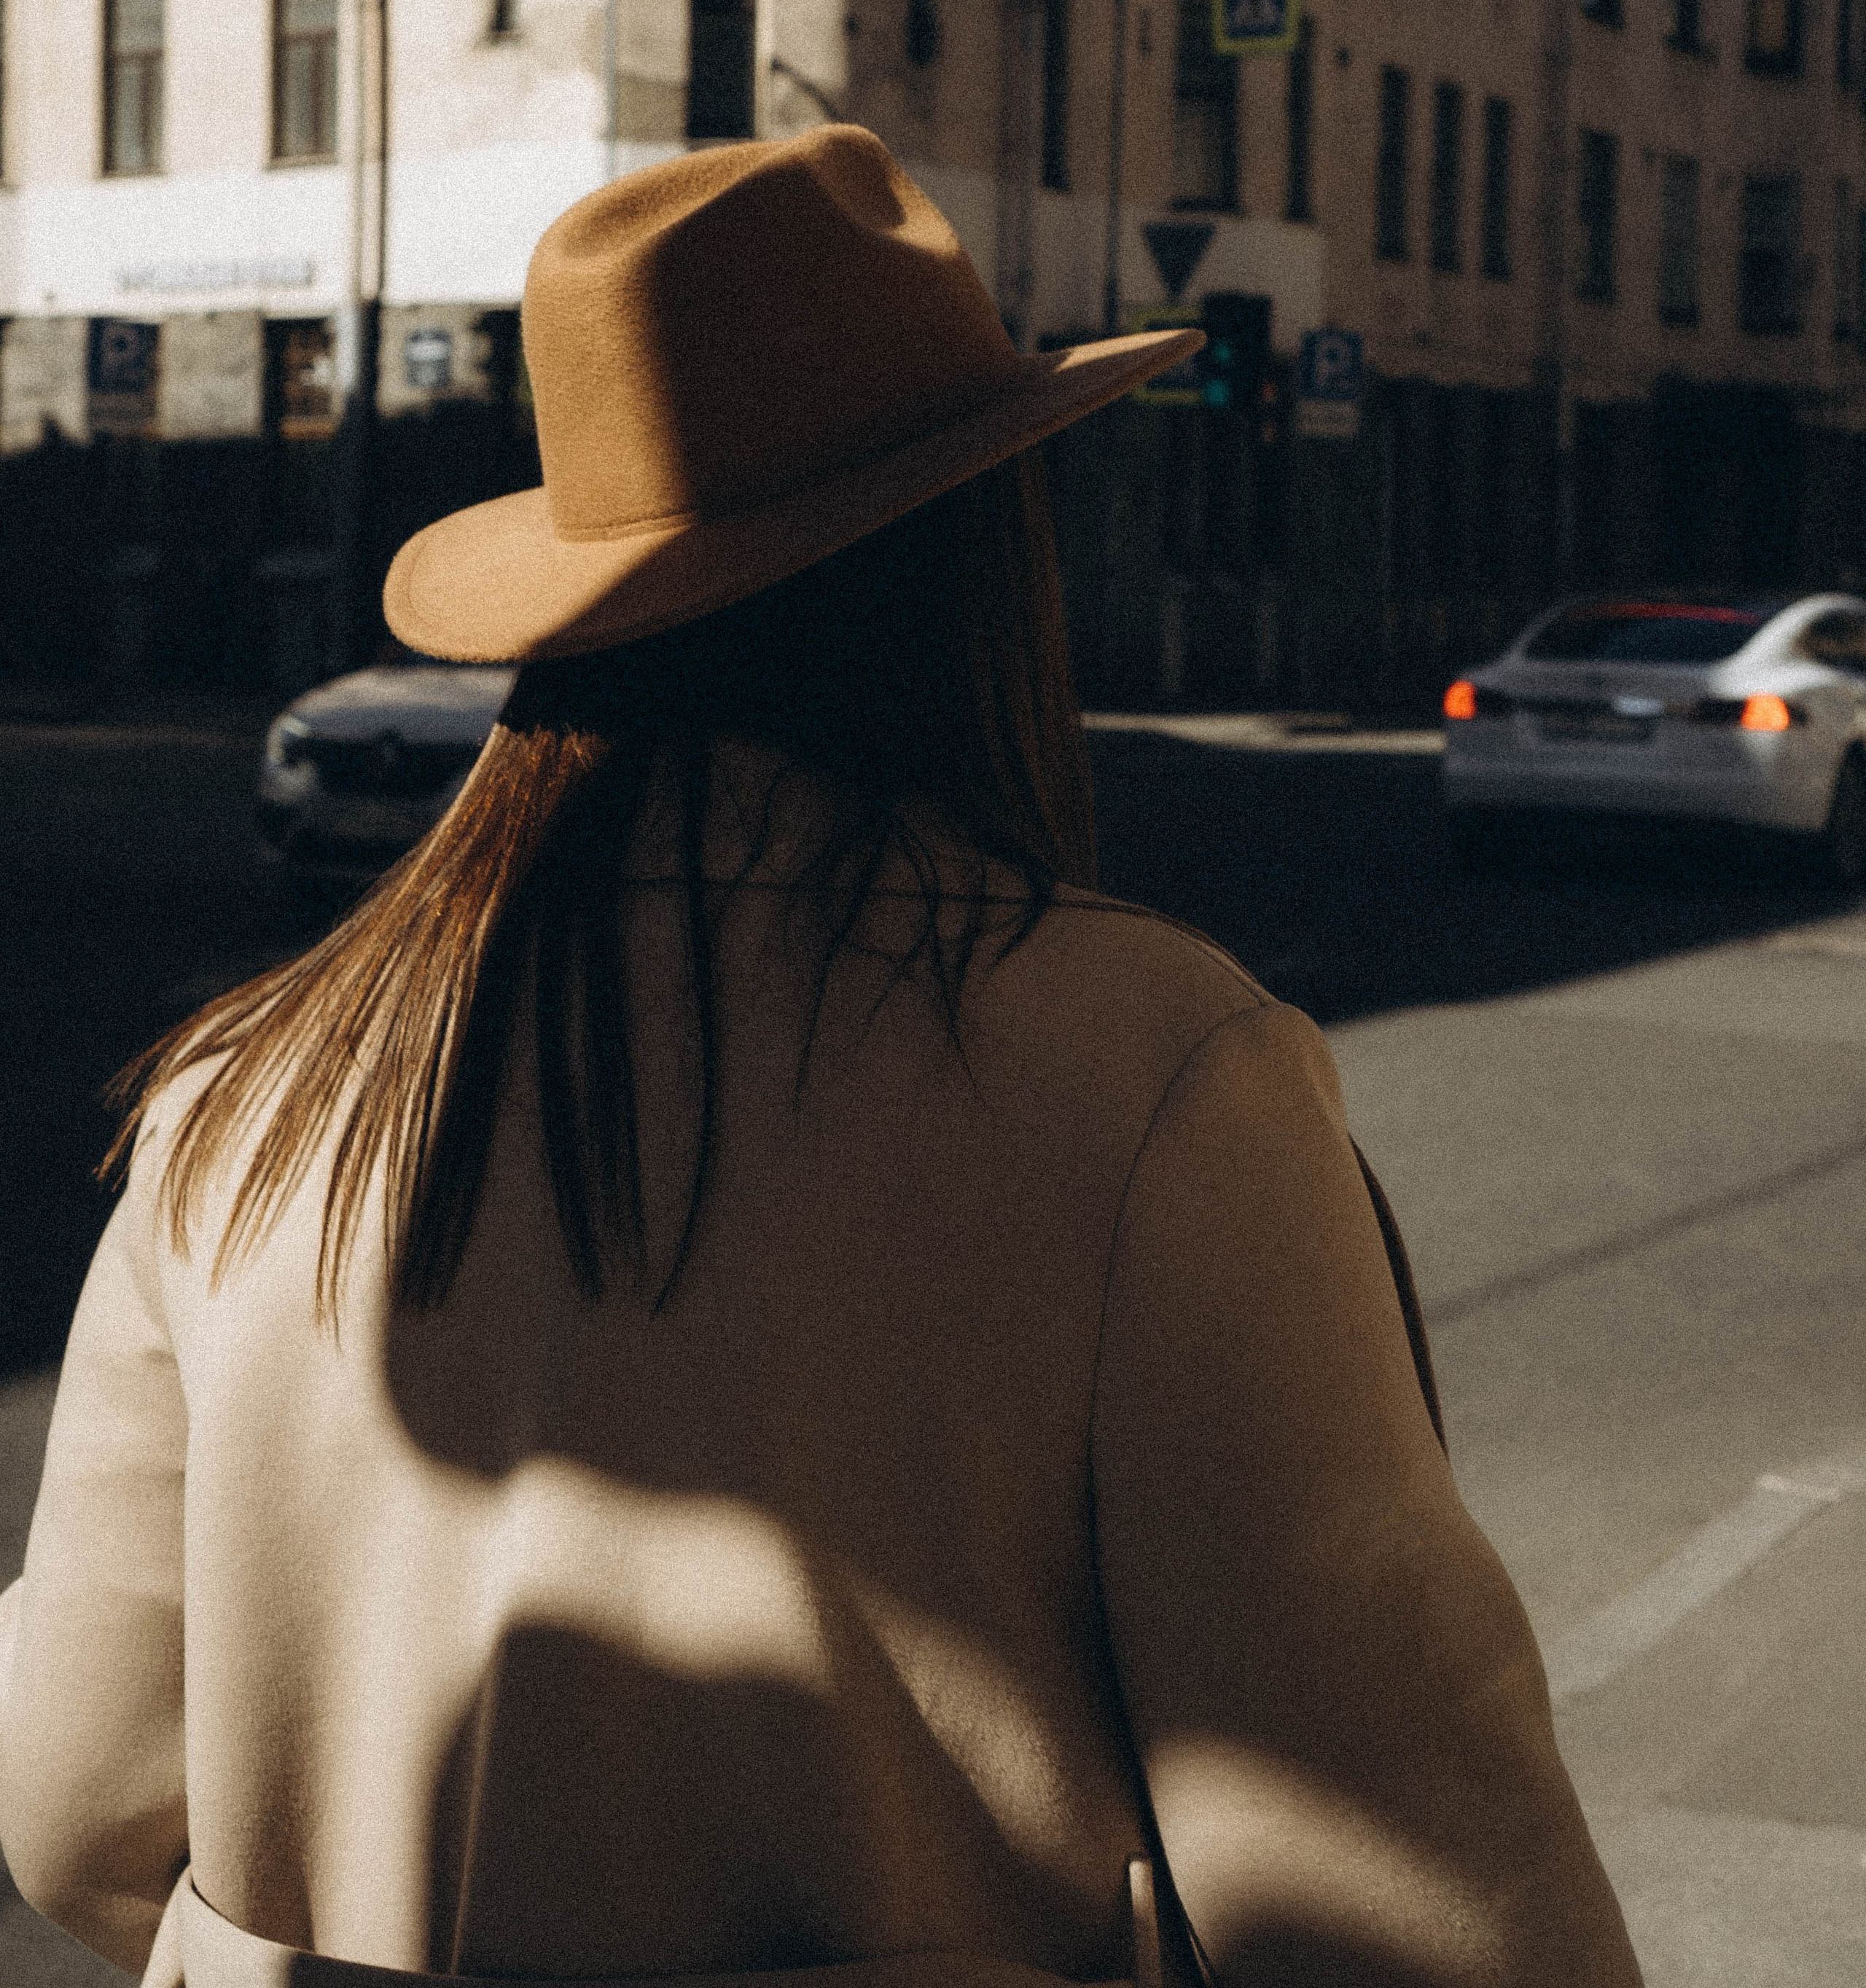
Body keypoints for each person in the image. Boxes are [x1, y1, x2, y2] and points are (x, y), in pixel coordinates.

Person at [0, 128, 1640, 1988]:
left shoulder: (248, 1095)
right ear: (974, 570)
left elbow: (79, 1813)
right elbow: (1415, 1904)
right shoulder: (1151, 1077)